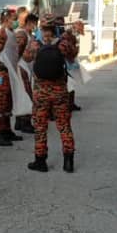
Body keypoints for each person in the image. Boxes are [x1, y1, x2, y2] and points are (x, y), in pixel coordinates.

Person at [26, 13, 78, 173]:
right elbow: (72, 58)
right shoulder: (63, 44)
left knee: (40, 127)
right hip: (60, 92)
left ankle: (40, 161)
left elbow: (26, 58)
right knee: (64, 126)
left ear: (41, 27)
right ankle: (68, 161)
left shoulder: (35, 44)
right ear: (56, 27)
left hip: (41, 92)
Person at [0, 8, 23, 146]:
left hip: (10, 72)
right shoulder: (1, 34)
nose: (16, 21)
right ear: (6, 19)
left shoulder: (11, 33)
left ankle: (6, 130)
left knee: (8, 102)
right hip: (1, 73)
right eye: (14, 19)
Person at [14, 12, 38, 133]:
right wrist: (32, 51)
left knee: (24, 94)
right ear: (30, 23)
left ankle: (20, 121)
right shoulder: (21, 34)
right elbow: (18, 53)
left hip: (27, 67)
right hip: (21, 67)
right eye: (34, 24)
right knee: (26, 95)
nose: (35, 27)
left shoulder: (29, 34)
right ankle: (25, 122)